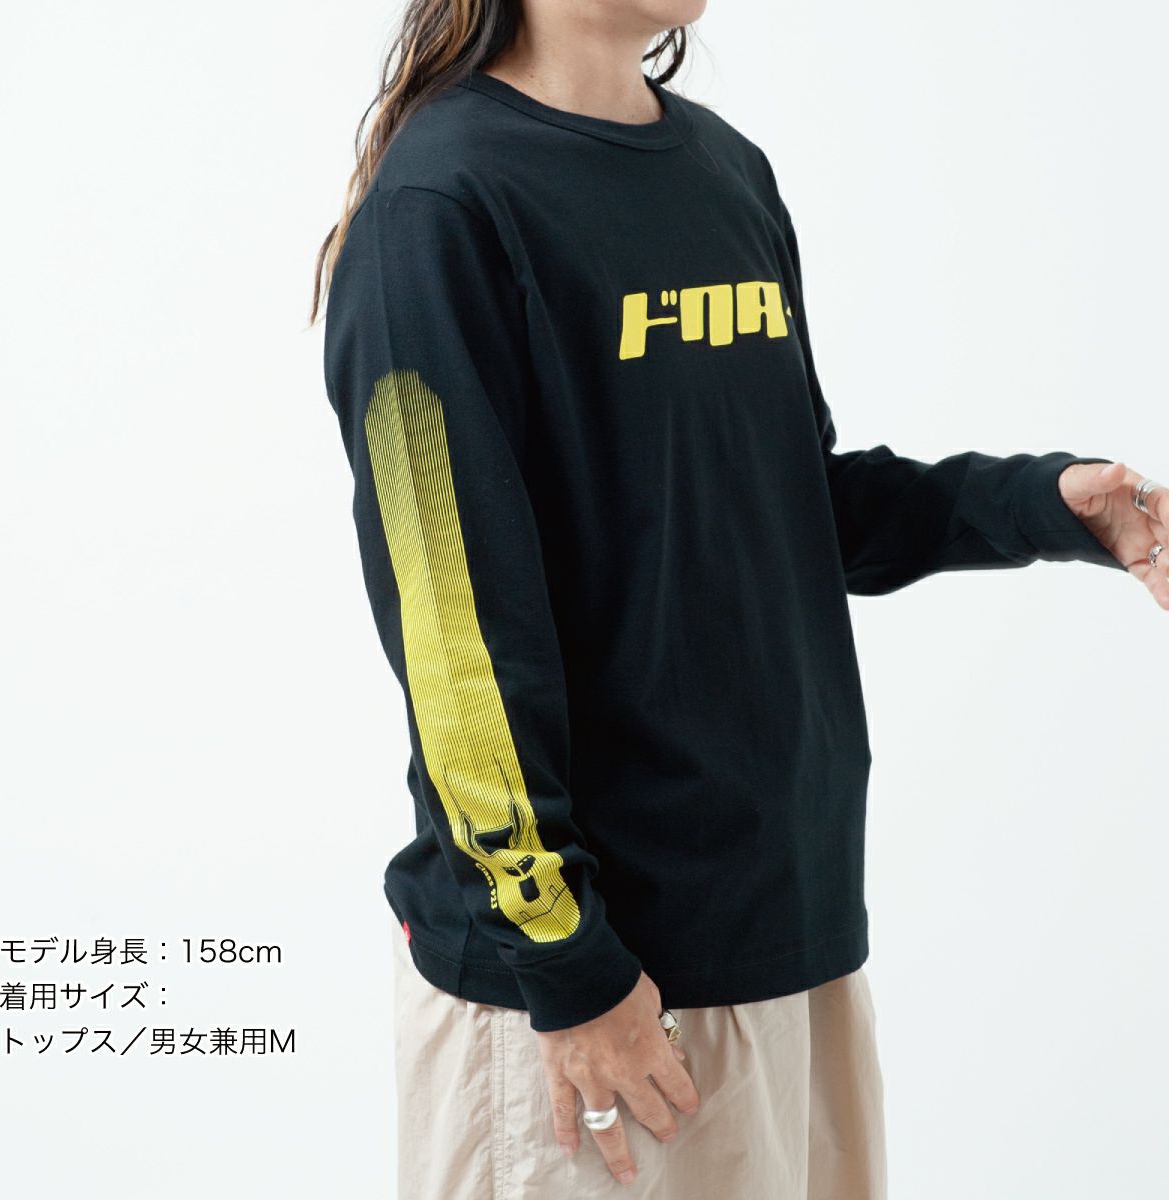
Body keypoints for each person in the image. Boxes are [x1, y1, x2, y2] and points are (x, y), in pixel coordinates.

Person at [312, 2, 1168, 1196]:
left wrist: (1042, 506)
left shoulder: (725, 171)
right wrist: (571, 967)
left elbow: (790, 505)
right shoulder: (439, 207)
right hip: (599, 998)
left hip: (790, 944)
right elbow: (449, 629)